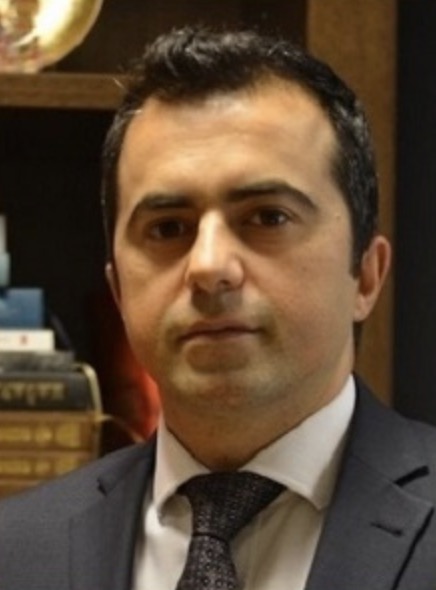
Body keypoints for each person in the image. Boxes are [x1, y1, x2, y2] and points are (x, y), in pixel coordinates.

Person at [1, 26, 436, 590]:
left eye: (267, 217)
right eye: (169, 228)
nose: (208, 265)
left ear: (367, 276)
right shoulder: (14, 552)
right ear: (119, 291)